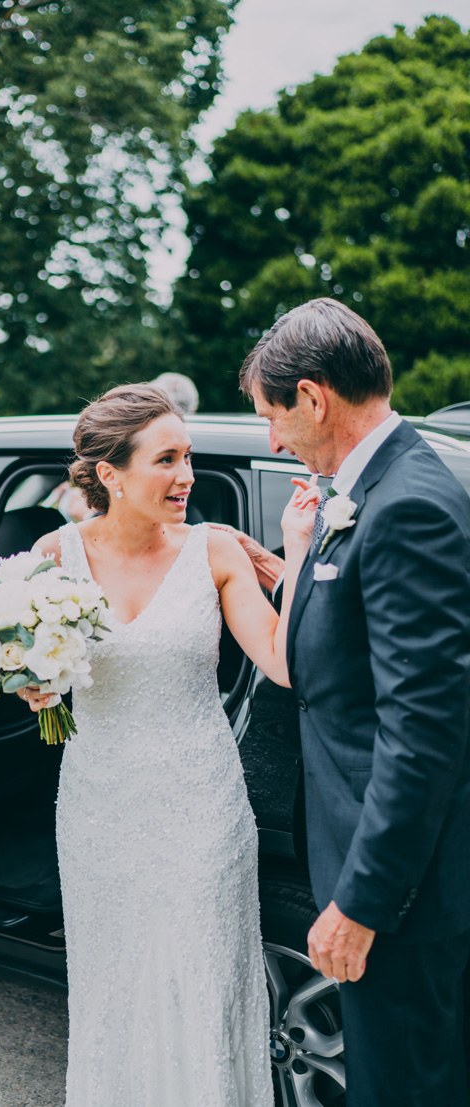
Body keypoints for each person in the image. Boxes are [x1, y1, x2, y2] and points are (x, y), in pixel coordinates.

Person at [20, 383, 316, 1106]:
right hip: (98, 811)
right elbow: (35, 673)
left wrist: (300, 551)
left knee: (203, 985)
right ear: (110, 474)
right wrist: (30, 686)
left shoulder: (214, 551)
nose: (187, 475)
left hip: (199, 812)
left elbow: (281, 659)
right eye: (167, 460)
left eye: (188, 457)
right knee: (113, 989)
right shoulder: (52, 556)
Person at [240, 297, 470, 1107]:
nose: (273, 440)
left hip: (400, 893)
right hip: (367, 860)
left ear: (312, 396)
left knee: (406, 1088)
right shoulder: (357, 490)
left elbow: (425, 731)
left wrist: (361, 903)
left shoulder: (406, 503)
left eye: (272, 416)